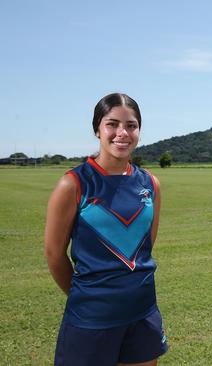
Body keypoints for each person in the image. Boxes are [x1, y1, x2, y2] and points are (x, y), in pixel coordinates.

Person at [44, 93, 168, 366]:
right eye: (112, 124)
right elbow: (54, 254)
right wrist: (88, 295)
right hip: (91, 318)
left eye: (131, 125)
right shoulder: (74, 184)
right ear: (97, 129)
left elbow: (146, 247)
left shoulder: (150, 183)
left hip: (142, 312)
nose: (122, 133)